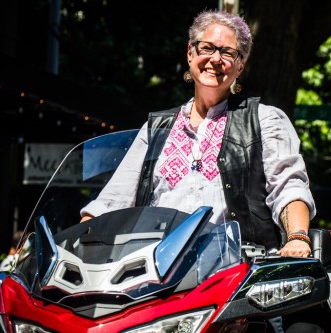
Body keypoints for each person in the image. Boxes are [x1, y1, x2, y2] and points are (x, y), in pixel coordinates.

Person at [79, 9, 317, 332]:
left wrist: (298, 237)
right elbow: (110, 204)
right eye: (207, 48)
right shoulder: (156, 128)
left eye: (228, 53)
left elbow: (290, 188)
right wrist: (78, 243)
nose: (215, 59)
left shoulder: (264, 119)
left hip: (237, 287)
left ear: (240, 65)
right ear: (190, 53)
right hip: (155, 285)